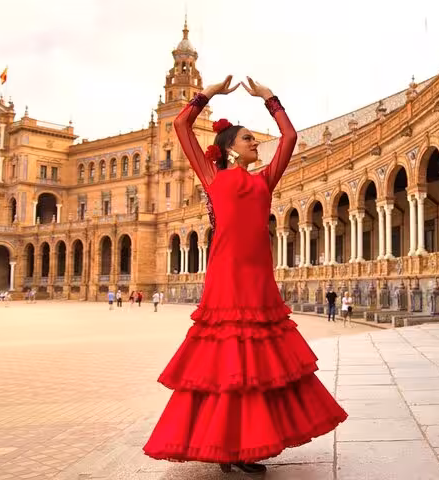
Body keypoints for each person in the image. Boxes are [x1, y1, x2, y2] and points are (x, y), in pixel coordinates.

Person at [143, 76, 347, 474]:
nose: (256, 144)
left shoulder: (264, 180)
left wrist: (271, 100)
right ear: (229, 149)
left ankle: (246, 446)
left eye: (254, 140)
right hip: (225, 278)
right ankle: (224, 447)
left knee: (255, 366)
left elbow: (289, 138)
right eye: (248, 139)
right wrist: (208, 96)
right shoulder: (211, 176)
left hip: (258, 279)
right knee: (224, 364)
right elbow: (181, 127)